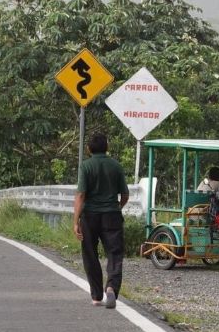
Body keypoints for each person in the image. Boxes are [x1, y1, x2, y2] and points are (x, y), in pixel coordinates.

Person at [73, 132, 129, 309]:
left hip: (89, 216)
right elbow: (125, 194)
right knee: (114, 253)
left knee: (90, 254)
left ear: (88, 149)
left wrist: (76, 221)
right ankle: (111, 286)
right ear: (107, 147)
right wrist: (117, 208)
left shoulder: (86, 166)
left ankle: (97, 296)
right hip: (112, 214)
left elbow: (81, 194)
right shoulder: (115, 166)